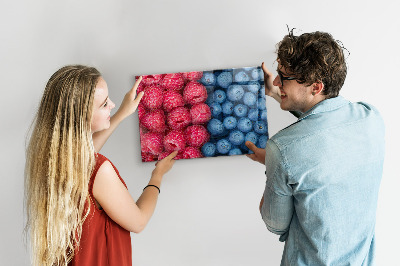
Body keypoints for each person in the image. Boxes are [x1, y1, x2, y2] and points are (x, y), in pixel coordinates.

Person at [245, 31, 385, 265]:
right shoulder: (371, 118)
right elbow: (324, 124)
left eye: (283, 77)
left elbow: (274, 224)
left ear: (316, 86)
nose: (277, 81)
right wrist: (274, 93)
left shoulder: (282, 149)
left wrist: (274, 163)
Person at [24, 65, 177, 266]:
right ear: (81, 117)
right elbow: (138, 221)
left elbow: (86, 156)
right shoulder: (99, 170)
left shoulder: (52, 160)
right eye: (104, 104)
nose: (112, 104)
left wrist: (122, 113)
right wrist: (157, 176)